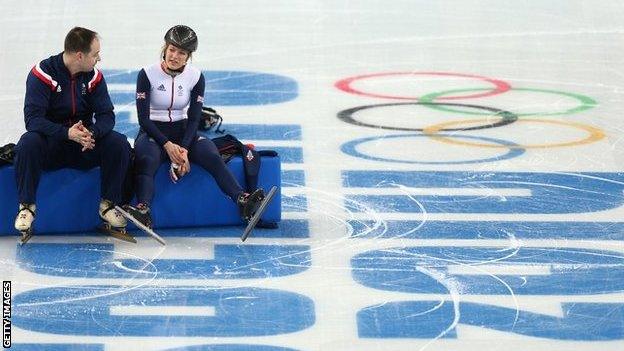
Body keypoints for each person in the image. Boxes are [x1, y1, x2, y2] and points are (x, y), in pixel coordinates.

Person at [125, 25, 264, 227]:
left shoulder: (196, 76)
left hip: (183, 131)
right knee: (147, 159)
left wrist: (184, 149)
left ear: (188, 56)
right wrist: (167, 145)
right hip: (152, 132)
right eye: (172, 49)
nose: (174, 56)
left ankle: (241, 199)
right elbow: (143, 119)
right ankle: (143, 209)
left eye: (181, 53)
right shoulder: (146, 74)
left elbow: (194, 118)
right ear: (165, 48)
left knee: (209, 151)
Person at [14, 27, 132, 240]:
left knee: (118, 142)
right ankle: (27, 206)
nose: (99, 58)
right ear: (80, 55)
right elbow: (33, 120)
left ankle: (108, 205)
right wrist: (66, 133)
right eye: (95, 54)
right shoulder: (42, 74)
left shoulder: (93, 76)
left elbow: (107, 115)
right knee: (27, 142)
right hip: (52, 145)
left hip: (84, 145)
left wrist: (91, 133)